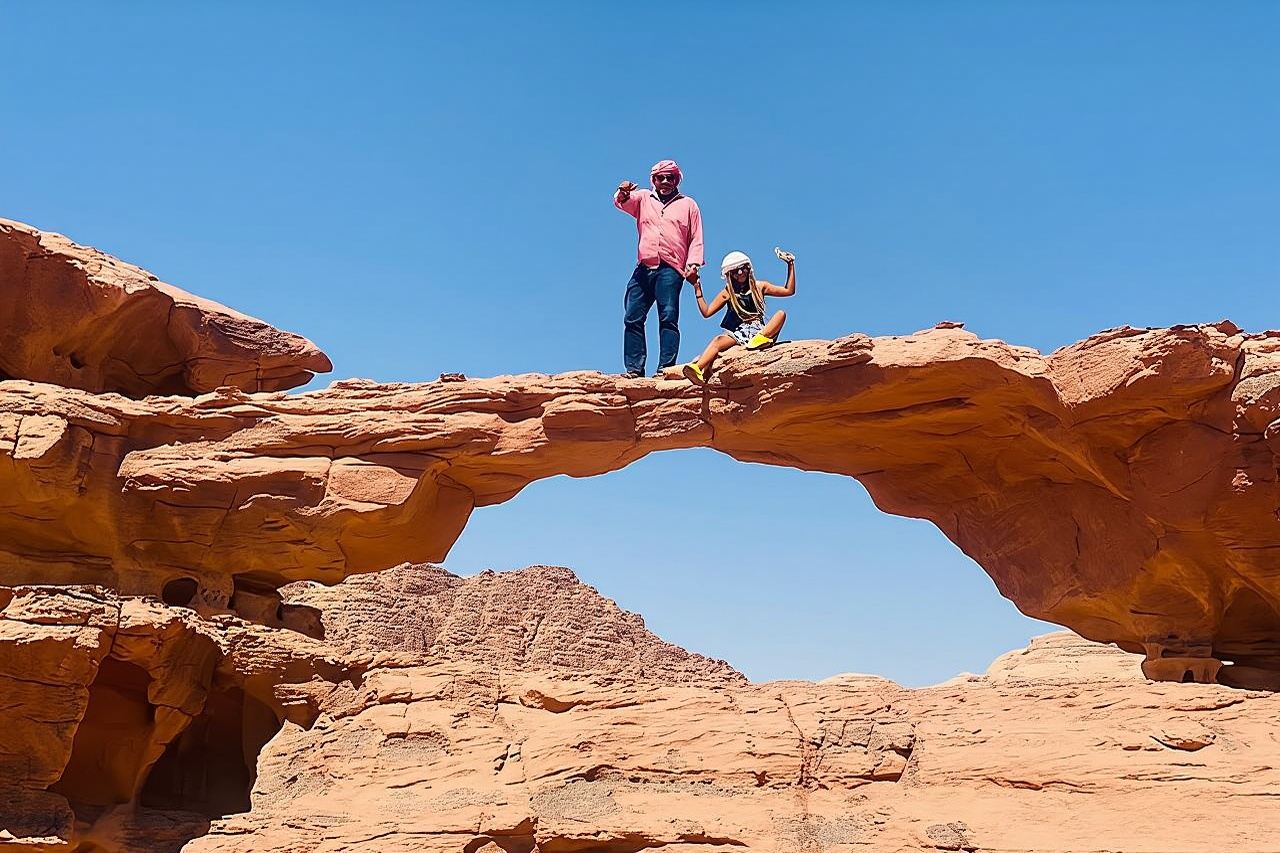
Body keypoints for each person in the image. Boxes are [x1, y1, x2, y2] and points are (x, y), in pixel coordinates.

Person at [614, 159, 704, 377]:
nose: (665, 181)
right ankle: (635, 369)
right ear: (653, 180)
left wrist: (693, 264)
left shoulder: (688, 204)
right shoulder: (644, 198)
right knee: (632, 316)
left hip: (671, 269)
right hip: (644, 266)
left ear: (677, 180)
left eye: (670, 177)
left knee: (668, 318)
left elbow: (696, 237)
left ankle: (665, 368)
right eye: (660, 177)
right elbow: (621, 202)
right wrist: (623, 190)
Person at [681, 247, 796, 385]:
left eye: (743, 268)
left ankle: (760, 340)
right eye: (735, 271)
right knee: (718, 340)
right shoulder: (728, 292)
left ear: (748, 268)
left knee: (781, 314)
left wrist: (790, 264)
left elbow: (789, 291)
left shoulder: (760, 286)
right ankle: (697, 369)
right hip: (739, 332)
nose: (740, 273)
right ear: (729, 274)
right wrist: (697, 288)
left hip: (760, 329)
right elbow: (707, 312)